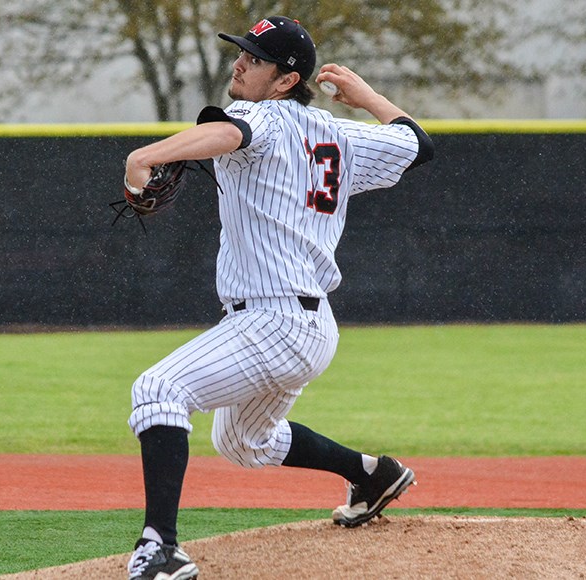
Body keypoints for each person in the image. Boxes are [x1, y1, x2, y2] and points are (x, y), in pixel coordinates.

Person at [121, 15, 434, 580]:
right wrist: (368, 98)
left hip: (273, 319)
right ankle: (371, 473)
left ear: (287, 79)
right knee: (243, 440)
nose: (240, 64)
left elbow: (231, 134)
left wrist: (147, 156)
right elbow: (417, 144)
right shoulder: (338, 133)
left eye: (256, 59)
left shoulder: (257, 115)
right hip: (307, 326)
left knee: (158, 389)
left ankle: (159, 548)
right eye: (242, 53)